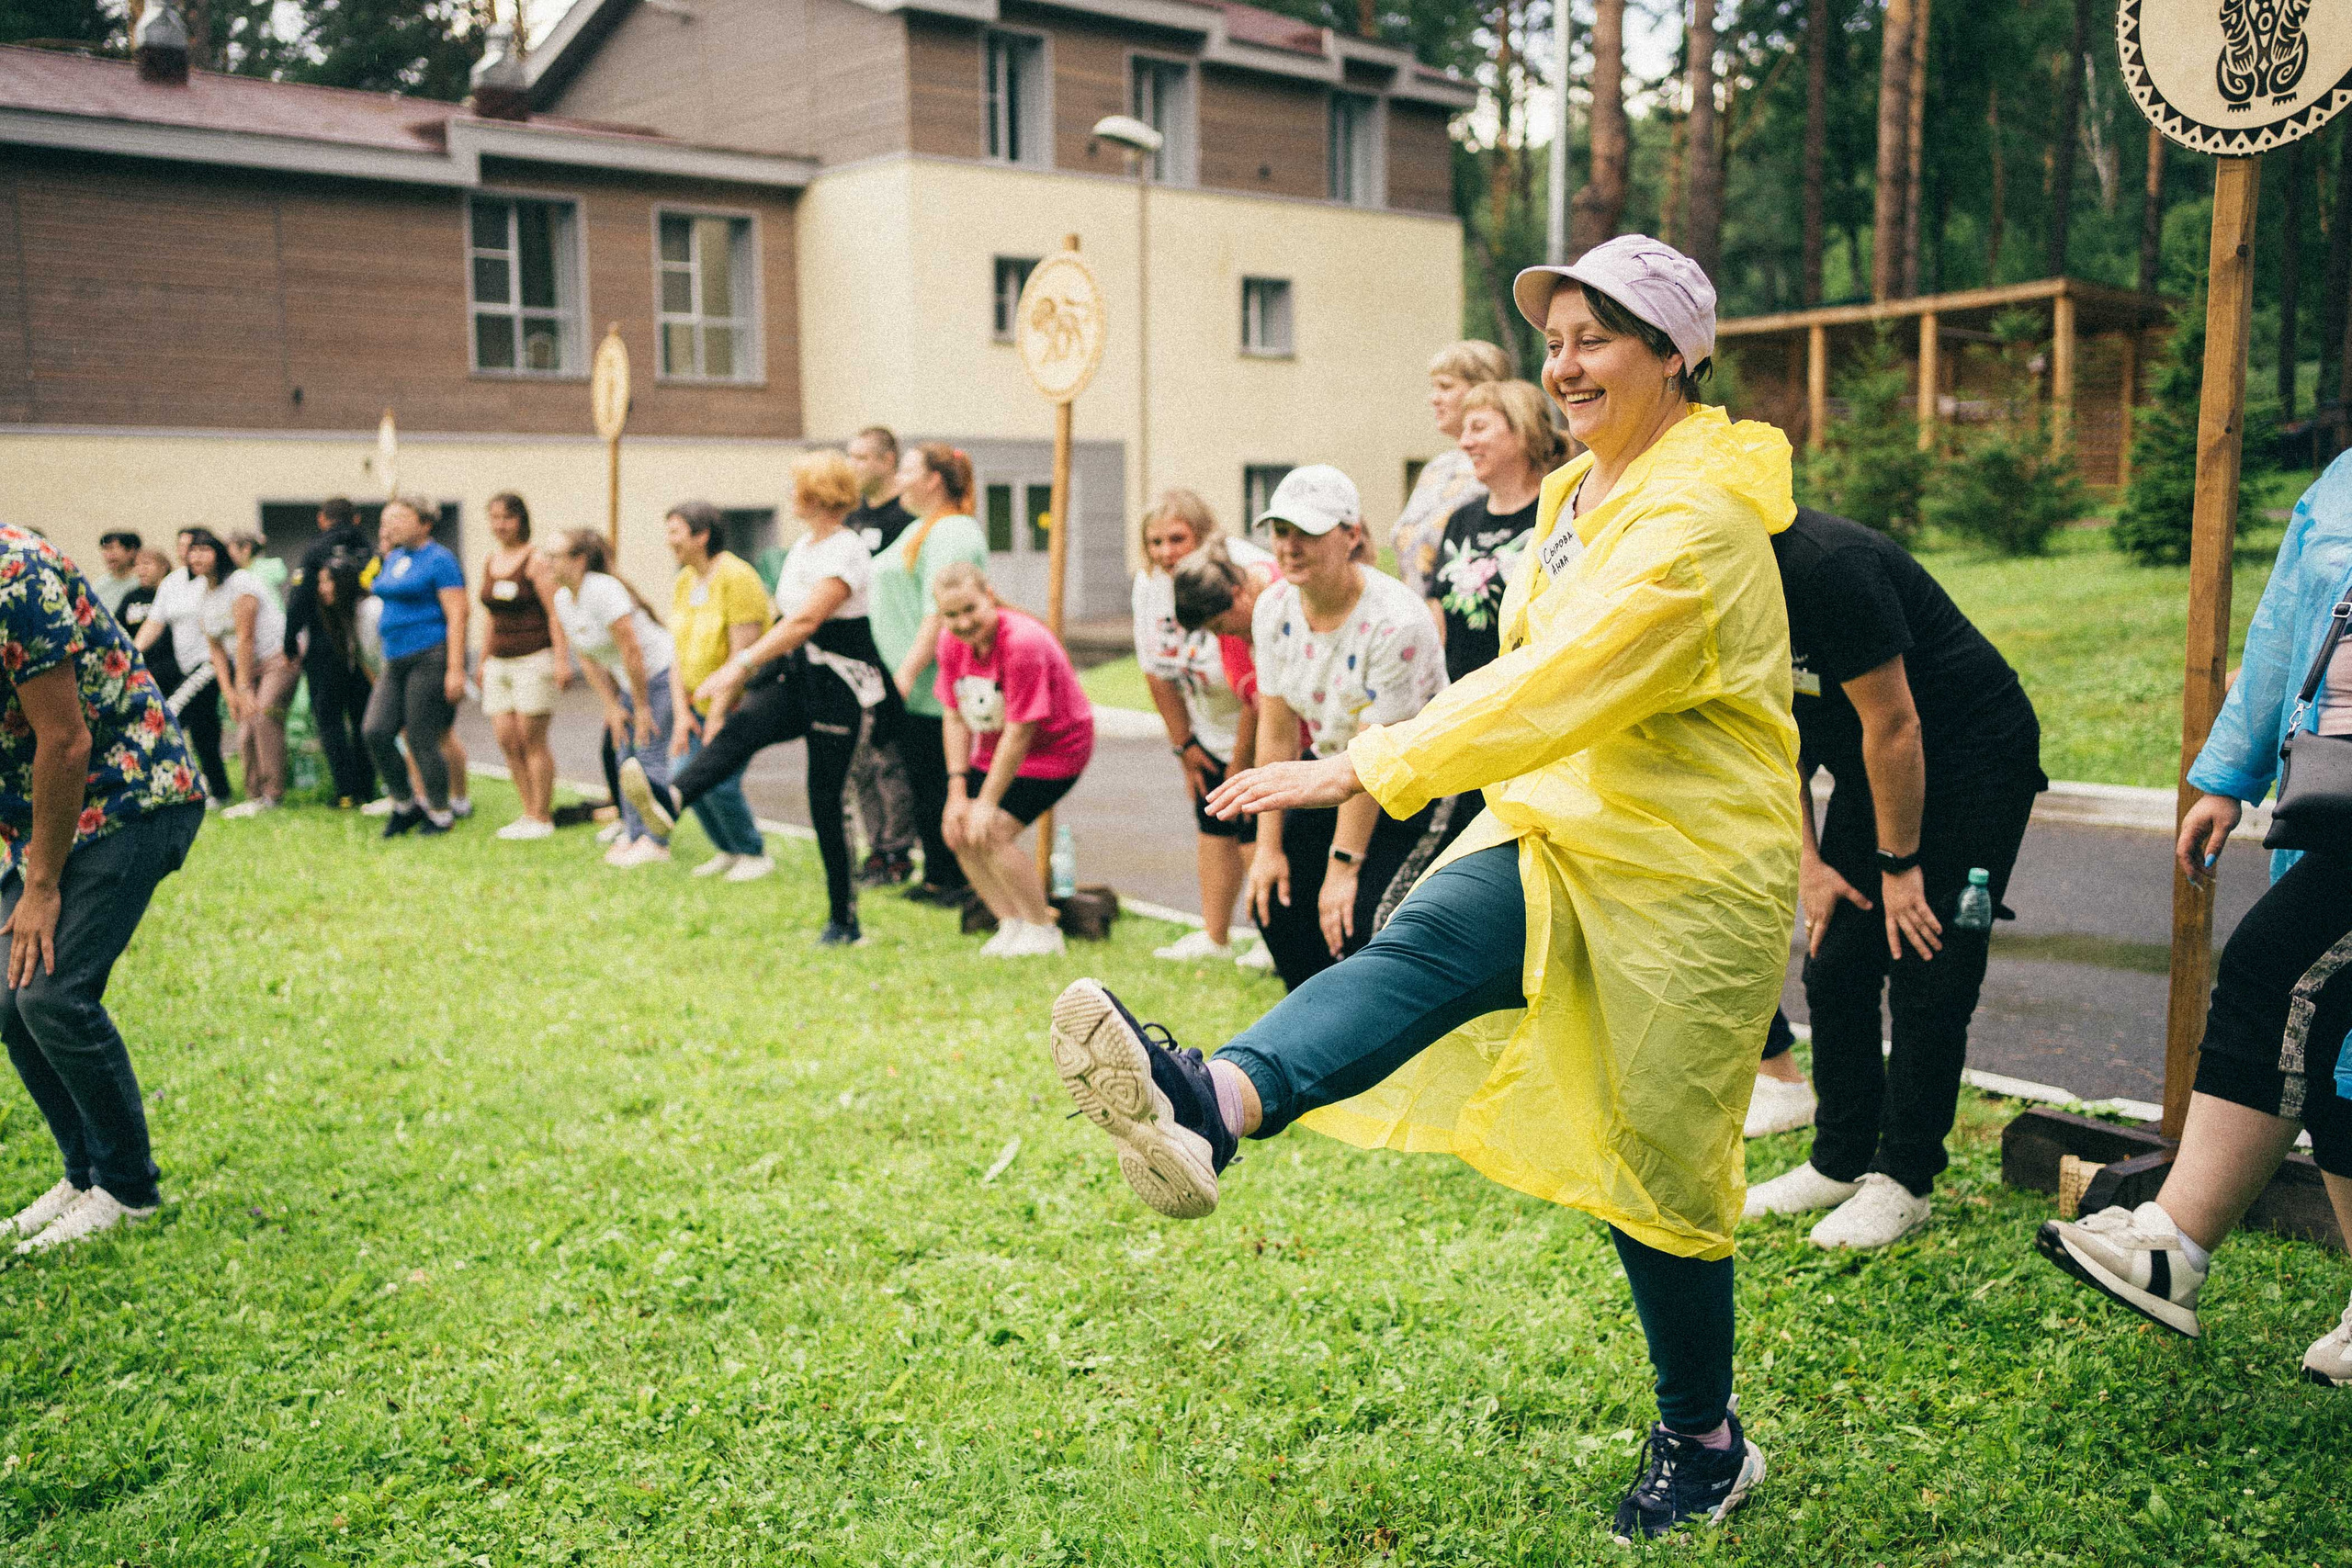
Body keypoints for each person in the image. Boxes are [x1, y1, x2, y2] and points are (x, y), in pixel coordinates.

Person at [1047, 237, 1800, 1541]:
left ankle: (1706, 1436)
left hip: (1688, 870)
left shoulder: (1699, 520)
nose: (1563, 365)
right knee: (1420, 939)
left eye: (1596, 339)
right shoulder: (1581, 496)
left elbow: (1561, 681)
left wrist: (1365, 763)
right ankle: (1209, 1099)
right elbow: (1525, 678)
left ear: (1677, 353)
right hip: (1561, 820)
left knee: (1656, 1170)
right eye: (1553, 339)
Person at [2038, 450, 2352, 1385]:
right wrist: (2227, 775)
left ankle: (2171, 1243)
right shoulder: (2339, 482)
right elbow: (2285, 628)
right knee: (2333, 1061)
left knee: (2273, 971)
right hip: (2334, 802)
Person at [1738, 505, 2045, 1246]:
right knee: (1837, 954)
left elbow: (1898, 724)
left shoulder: (1826, 566)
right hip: (1873, 761)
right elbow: (1770, 739)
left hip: (1970, 754)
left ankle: (1904, 1179)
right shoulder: (1716, 588)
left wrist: (1900, 868)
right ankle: (1839, 1158)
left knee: (1926, 963)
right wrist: (1809, 864)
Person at [0, 525, 205, 1254]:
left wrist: (42, 884)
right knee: (8, 995)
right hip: (44, 811)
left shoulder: (12, 579)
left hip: (132, 793)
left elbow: (65, 739)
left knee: (52, 993)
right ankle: (84, 1171)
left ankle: (128, 1188)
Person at [626, 453, 898, 943]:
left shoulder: (846, 549)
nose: (790, 493)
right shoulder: (801, 548)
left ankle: (844, 920)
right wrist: (735, 686)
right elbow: (782, 620)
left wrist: (739, 665)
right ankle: (672, 798)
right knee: (740, 728)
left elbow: (807, 621)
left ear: (817, 494)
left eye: (797, 486)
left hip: (844, 688)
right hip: (796, 677)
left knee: (826, 801)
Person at [1240, 465, 1448, 990]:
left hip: (1414, 784)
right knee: (1277, 905)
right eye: (1281, 531)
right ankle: (1308, 1043)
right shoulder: (1272, 608)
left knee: (1358, 925)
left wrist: (1343, 866)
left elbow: (1376, 754)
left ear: (1351, 536)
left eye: (1308, 532)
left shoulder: (1394, 621)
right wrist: (1268, 847)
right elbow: (1278, 726)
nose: (1290, 547)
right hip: (1334, 770)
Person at [1133, 490, 1275, 963]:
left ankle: (1271, 938)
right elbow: (1154, 667)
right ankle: (1215, 935)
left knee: (1258, 831)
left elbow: (1257, 681)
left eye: (1177, 538)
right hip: (1206, 725)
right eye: (1155, 542)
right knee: (1214, 824)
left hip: (1256, 722)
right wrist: (1185, 744)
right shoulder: (1151, 584)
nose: (1166, 551)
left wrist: (1240, 759)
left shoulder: (1235, 580)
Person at [933, 562, 1093, 957]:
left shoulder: (1022, 642)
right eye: (951, 615)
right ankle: (1010, 922)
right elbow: (954, 715)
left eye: (970, 609)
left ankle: (1042, 928)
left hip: (1056, 749)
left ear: (989, 595)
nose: (963, 622)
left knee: (991, 831)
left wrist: (986, 803)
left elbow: (1021, 731)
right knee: (957, 829)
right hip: (995, 748)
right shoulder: (951, 643)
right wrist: (957, 791)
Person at [873, 444, 989, 908]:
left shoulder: (954, 531)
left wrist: (903, 676)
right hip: (917, 689)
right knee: (923, 783)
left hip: (932, 686)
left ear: (934, 480)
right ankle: (940, 877)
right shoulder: (923, 529)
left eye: (907, 471)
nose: (899, 479)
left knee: (942, 783)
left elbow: (938, 612)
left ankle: (958, 882)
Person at [662, 500, 775, 880]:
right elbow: (676, 652)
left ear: (702, 535)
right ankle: (728, 849)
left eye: (675, 531)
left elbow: (743, 656)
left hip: (736, 702)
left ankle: (753, 852)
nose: (668, 540)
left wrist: (718, 715)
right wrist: (680, 714)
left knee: (719, 782)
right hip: (694, 702)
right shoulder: (684, 580)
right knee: (685, 777)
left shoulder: (737, 577)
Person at [551, 529, 676, 868]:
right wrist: (611, 704)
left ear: (578, 561)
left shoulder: (603, 590)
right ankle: (633, 833)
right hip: (627, 683)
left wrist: (642, 706)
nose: (547, 562)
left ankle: (656, 842)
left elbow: (632, 650)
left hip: (660, 676)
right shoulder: (563, 598)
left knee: (647, 754)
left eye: (555, 556)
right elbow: (587, 657)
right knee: (624, 755)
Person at [1431, 379, 1563, 682]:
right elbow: (1438, 619)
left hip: (1527, 698)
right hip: (1461, 702)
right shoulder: (1461, 520)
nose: (1464, 443)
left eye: (1478, 428)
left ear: (1523, 431)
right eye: (1464, 431)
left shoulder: (1557, 514)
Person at [361, 496, 468, 838]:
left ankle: (439, 812)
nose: (390, 524)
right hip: (394, 657)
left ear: (424, 523)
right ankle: (405, 804)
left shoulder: (440, 560)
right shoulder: (394, 558)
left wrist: (455, 668)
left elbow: (457, 614)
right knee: (375, 730)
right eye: (386, 517)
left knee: (422, 736)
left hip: (430, 655)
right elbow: (371, 585)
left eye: (400, 517)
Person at [844, 425, 919, 887]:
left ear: (888, 460)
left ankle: (897, 851)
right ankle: (876, 850)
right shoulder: (851, 518)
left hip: (889, 654)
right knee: (857, 761)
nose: (854, 467)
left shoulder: (905, 519)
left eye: (863, 457)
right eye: (850, 457)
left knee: (888, 758)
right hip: (850, 657)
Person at [476, 491, 572, 840]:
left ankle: (541, 815)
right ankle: (526, 810)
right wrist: (483, 659)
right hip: (499, 662)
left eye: (507, 517)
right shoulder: (490, 560)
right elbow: (490, 617)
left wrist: (562, 660)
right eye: (494, 517)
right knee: (507, 739)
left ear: (521, 520)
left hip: (534, 658)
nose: (500, 525)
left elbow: (554, 613)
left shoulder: (535, 561)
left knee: (532, 738)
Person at [186, 529, 295, 819]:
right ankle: (254, 796)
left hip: (277, 658)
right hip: (246, 666)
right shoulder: (201, 594)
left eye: (203, 549)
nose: (195, 556)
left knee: (263, 716)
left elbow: (246, 637)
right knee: (245, 725)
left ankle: (274, 795)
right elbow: (217, 650)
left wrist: (243, 686)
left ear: (219, 553)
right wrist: (230, 692)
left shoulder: (241, 583)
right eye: (191, 551)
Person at [1391, 340, 1510, 598]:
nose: (1434, 399)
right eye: (1434, 387)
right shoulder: (1438, 467)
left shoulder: (1501, 469)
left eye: (1445, 386)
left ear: (1483, 391)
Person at [283, 498, 379, 807]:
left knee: (329, 719)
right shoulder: (369, 550)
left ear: (322, 518)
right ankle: (367, 785)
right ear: (357, 518)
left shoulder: (315, 550)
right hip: (361, 644)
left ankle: (346, 790)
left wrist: (289, 639)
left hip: (325, 645)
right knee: (362, 715)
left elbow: (299, 597)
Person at [133, 529, 232, 809]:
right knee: (204, 729)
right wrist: (131, 655)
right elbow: (154, 622)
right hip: (186, 668)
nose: (190, 554)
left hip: (211, 664)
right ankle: (217, 789)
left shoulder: (214, 583)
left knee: (171, 713)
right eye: (186, 547)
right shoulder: (173, 582)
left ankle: (177, 786)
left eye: (197, 548)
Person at [112, 547, 171, 650]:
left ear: (163, 567)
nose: (141, 569)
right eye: (137, 565)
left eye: (146, 563)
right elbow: (117, 626)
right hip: (138, 657)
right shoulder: (132, 597)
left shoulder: (171, 594)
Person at [93, 531, 141, 619]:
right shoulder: (100, 584)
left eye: (112, 548)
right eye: (104, 549)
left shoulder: (142, 581)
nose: (108, 555)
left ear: (131, 551)